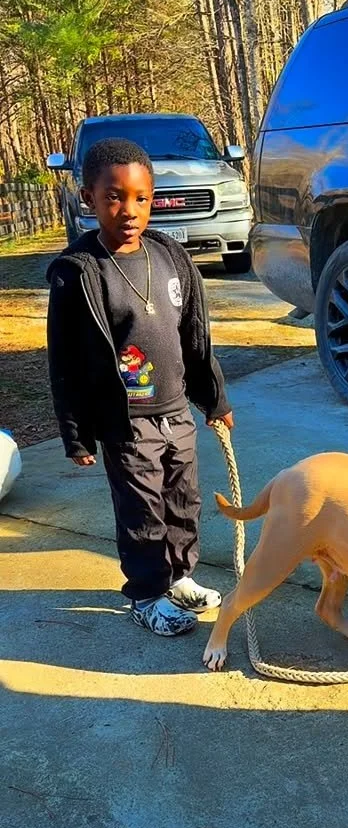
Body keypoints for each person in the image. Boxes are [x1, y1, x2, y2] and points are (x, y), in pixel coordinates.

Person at [46, 137, 234, 636]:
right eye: (113, 197)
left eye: (141, 198)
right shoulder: (78, 272)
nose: (129, 210)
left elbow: (195, 335)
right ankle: (148, 594)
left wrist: (214, 398)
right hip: (125, 421)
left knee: (183, 500)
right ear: (88, 197)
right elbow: (64, 360)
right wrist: (76, 434)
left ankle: (179, 577)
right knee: (142, 510)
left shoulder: (170, 256)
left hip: (176, 410)